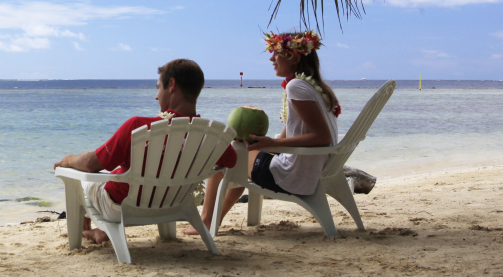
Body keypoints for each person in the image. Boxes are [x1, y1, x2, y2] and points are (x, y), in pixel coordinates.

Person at [54, 59, 237, 244]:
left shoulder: (139, 127)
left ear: (171, 85)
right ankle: (102, 231)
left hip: (119, 206)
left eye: (158, 88)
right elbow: (230, 160)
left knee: (79, 179)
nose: (156, 96)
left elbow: (91, 163)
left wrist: (68, 160)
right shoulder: (209, 135)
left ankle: (85, 236)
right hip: (174, 204)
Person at [183, 30, 340, 235]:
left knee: (225, 155)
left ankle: (207, 221)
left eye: (276, 53)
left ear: (294, 57)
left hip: (294, 177)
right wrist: (271, 143)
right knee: (238, 153)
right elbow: (297, 130)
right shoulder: (311, 85)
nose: (271, 58)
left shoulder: (296, 87)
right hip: (310, 168)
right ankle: (214, 219)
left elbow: (322, 137)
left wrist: (270, 144)